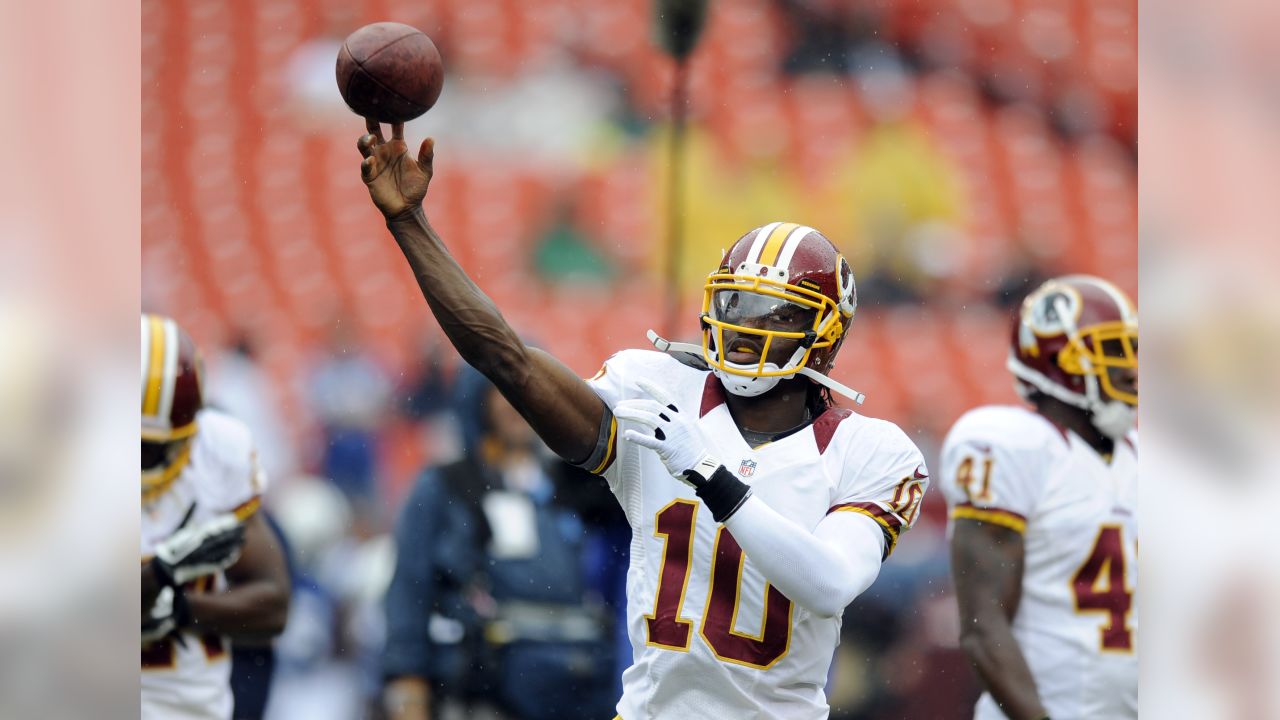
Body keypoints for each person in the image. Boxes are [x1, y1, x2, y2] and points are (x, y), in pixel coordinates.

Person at [356, 120, 929, 719]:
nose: (743, 329)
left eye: (773, 313)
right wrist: (409, 224)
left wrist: (710, 475)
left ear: (824, 336)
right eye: (734, 303)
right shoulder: (657, 387)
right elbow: (510, 362)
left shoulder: (870, 452)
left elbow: (830, 583)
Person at [939, 276, 1138, 720]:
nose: (1130, 369)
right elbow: (982, 625)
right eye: (1111, 352)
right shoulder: (1013, 447)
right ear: (1057, 360)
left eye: (1133, 352)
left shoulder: (1147, 457)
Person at [382, 365, 615, 720]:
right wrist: (407, 677)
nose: (518, 403)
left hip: (580, 683)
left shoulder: (578, 485)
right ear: (477, 400)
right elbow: (410, 586)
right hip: (482, 685)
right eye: (504, 390)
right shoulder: (446, 485)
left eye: (529, 390)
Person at [140, 313, 291, 720]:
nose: (143, 462)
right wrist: (163, 572)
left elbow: (274, 607)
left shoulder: (217, 452)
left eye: (152, 448)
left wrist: (181, 609)